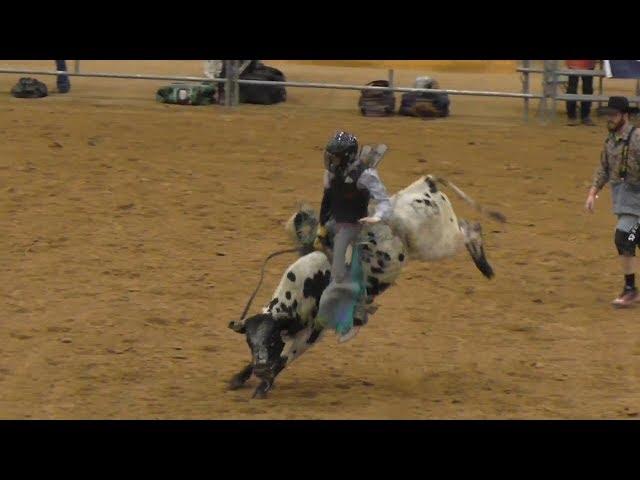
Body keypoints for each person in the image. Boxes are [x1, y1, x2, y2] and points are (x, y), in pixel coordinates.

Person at [313, 131, 392, 340]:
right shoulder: (331, 174)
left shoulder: (365, 176)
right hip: (335, 224)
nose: (330, 160)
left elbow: (384, 201)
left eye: (335, 156)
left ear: (347, 156)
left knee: (344, 274)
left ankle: (351, 314)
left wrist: (377, 217)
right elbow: (327, 201)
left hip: (356, 227)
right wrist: (321, 227)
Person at [585, 96, 640, 306]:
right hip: (625, 202)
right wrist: (593, 192)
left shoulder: (637, 138)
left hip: (636, 206)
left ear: (625, 116)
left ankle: (630, 289)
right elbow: (604, 169)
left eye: (614, 115)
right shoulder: (610, 141)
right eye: (609, 115)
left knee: (624, 237)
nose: (610, 119)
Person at [565, 60, 596, 126]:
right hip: (574, 63)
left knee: (587, 88)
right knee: (572, 89)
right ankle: (571, 116)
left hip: (588, 63)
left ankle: (585, 116)